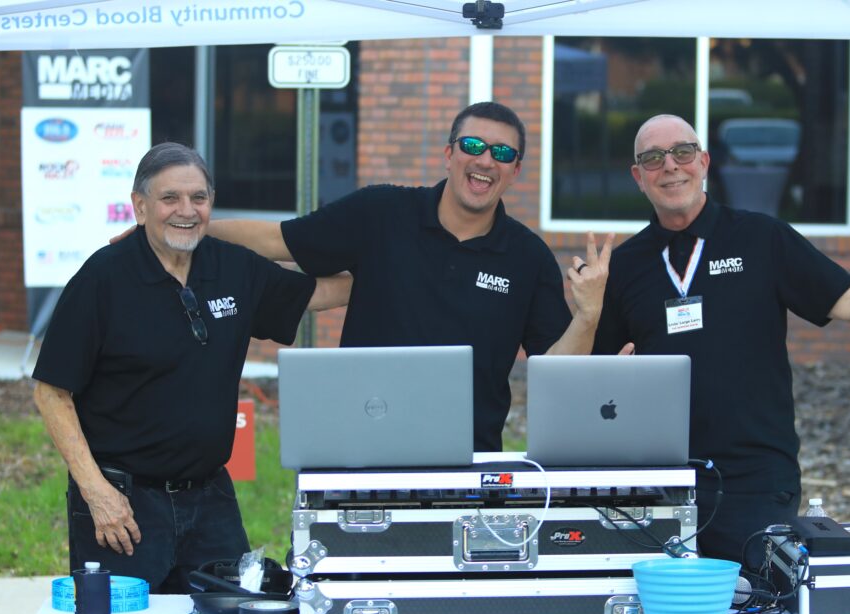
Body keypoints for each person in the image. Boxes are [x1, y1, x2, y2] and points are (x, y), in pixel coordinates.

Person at [593, 114, 850, 567]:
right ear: (637, 176)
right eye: (653, 158)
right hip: (660, 478)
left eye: (683, 153)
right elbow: (595, 373)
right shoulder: (625, 265)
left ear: (703, 162)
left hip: (756, 478)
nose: (670, 166)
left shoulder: (763, 238)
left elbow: (849, 299)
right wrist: (589, 310)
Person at [205, 101, 628, 452]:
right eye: (472, 145)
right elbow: (277, 240)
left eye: (502, 153)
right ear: (449, 154)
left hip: (469, 462)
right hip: (360, 445)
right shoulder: (380, 213)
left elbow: (555, 374)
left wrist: (587, 315)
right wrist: (189, 229)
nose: (484, 160)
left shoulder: (527, 256)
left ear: (515, 171)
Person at [32, 142, 349, 593]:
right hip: (123, 506)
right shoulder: (102, 280)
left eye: (198, 198)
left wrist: (394, 273)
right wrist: (97, 492)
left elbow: (315, 294)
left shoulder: (232, 267)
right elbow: (51, 393)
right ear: (140, 207)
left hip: (211, 501)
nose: (187, 210)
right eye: (170, 199)